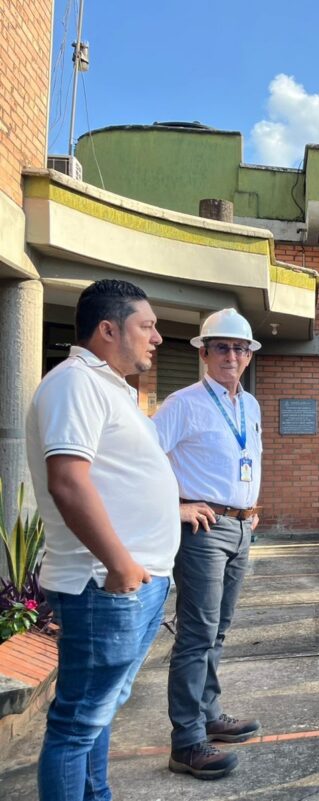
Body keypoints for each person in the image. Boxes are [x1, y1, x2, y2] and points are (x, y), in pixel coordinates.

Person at [26, 279, 180, 801]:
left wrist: (170, 509)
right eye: (148, 326)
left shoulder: (107, 385)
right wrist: (119, 566)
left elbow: (118, 478)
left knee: (99, 710)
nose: (157, 337)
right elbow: (68, 480)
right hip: (104, 586)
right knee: (76, 723)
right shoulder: (75, 383)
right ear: (108, 329)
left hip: (128, 583)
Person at [153, 308, 264, 779]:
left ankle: (209, 715)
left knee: (217, 630)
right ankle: (187, 742)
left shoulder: (250, 405)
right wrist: (173, 508)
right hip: (201, 528)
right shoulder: (182, 404)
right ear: (203, 352)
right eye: (221, 347)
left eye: (239, 348)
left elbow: (247, 458)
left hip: (240, 527)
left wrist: (249, 508)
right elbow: (145, 463)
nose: (232, 355)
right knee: (196, 636)